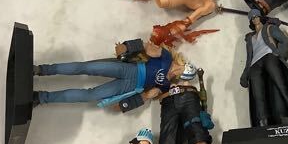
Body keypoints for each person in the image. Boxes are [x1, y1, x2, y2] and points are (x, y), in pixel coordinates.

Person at [33, 35, 185, 108]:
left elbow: (148, 95)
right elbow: (147, 47)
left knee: (90, 95)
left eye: (180, 73)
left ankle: (41, 98)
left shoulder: (166, 85)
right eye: (179, 68)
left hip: (131, 87)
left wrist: (130, 103)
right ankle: (42, 69)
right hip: (130, 70)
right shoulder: (166, 58)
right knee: (86, 67)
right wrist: (128, 47)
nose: (176, 72)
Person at [240, 9, 288, 127]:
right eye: (252, 18)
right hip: (255, 65)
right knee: (258, 98)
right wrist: (245, 74)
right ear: (251, 21)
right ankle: (264, 128)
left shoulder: (269, 28)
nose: (255, 19)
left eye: (257, 16)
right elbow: (248, 59)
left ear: (260, 17)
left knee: (282, 88)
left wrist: (278, 53)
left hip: (269, 56)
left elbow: (285, 41)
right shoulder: (250, 38)